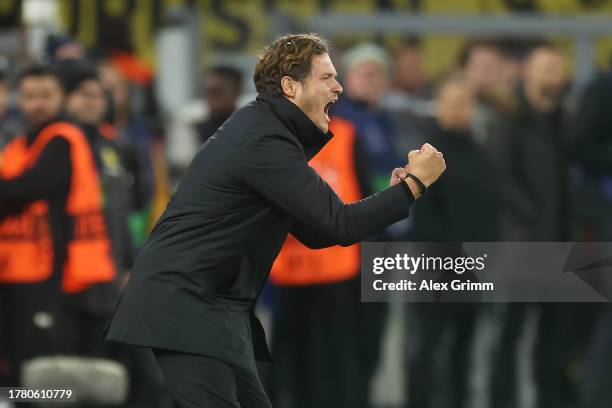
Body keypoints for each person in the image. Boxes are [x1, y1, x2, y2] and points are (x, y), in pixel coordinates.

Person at [103, 33, 446, 408]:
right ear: (290, 86)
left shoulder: (267, 130)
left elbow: (317, 232)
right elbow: (339, 224)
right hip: (184, 305)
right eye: (327, 77)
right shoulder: (264, 139)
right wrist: (413, 187)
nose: (339, 86)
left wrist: (397, 192)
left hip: (211, 309)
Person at [0, 65, 116, 384]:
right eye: (29, 96)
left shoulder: (64, 139)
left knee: (40, 370)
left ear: (60, 98)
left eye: (45, 96)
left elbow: (30, 186)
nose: (37, 104)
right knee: (14, 366)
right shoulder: (16, 147)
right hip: (13, 272)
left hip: (51, 276)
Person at [405, 75, 498, 408]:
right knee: (426, 348)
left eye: (465, 103)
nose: (460, 110)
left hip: (473, 267)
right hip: (436, 266)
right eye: (453, 102)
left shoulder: (480, 151)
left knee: (464, 346)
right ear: (439, 106)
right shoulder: (426, 154)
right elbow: (425, 214)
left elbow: (489, 210)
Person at [197, 65, 243, 144]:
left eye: (218, 92)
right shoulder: (194, 131)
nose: (212, 98)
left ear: (237, 90)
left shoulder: (251, 130)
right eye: (208, 92)